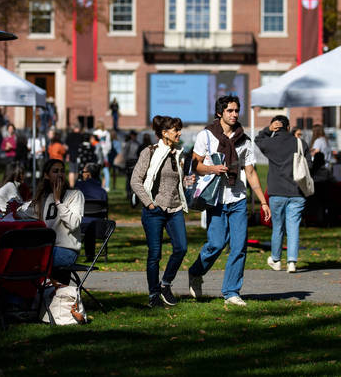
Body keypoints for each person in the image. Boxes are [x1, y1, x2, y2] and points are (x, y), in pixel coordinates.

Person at [187, 96, 268, 307]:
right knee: (216, 243)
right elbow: (195, 164)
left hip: (238, 198)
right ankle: (196, 272)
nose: (234, 114)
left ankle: (231, 291)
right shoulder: (206, 136)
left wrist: (263, 202)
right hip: (215, 198)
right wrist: (212, 169)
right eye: (230, 110)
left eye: (236, 110)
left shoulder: (245, 140)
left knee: (239, 246)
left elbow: (250, 172)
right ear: (219, 113)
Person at [131, 116, 193, 308]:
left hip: (174, 208)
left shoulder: (178, 154)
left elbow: (174, 181)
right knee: (155, 254)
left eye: (179, 129)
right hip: (154, 210)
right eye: (176, 130)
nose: (179, 133)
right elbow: (135, 181)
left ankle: (165, 284)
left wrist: (185, 183)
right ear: (164, 133)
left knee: (181, 248)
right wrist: (150, 204)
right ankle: (153, 294)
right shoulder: (149, 152)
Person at [255, 115, 309, 272]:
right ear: (288, 127)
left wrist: (268, 129)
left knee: (277, 227)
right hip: (297, 191)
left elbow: (258, 139)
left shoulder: (270, 143)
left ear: (275, 128)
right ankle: (292, 261)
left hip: (276, 191)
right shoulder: (300, 143)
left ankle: (276, 259)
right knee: (293, 227)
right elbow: (309, 164)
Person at [16, 159, 85, 275]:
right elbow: (25, 213)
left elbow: (73, 224)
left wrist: (58, 202)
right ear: (46, 176)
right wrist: (15, 210)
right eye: (55, 171)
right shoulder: (44, 198)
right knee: (19, 254)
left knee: (33, 260)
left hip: (65, 250)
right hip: (47, 248)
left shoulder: (75, 195)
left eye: (62, 171)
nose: (60, 174)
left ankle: (53, 286)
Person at [123, 130, 141, 203]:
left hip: (136, 162)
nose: (134, 137)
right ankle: (128, 193)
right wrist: (126, 162)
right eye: (133, 135)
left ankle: (134, 193)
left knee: (135, 179)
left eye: (135, 135)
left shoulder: (138, 144)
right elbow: (125, 154)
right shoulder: (128, 143)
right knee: (128, 179)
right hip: (129, 162)